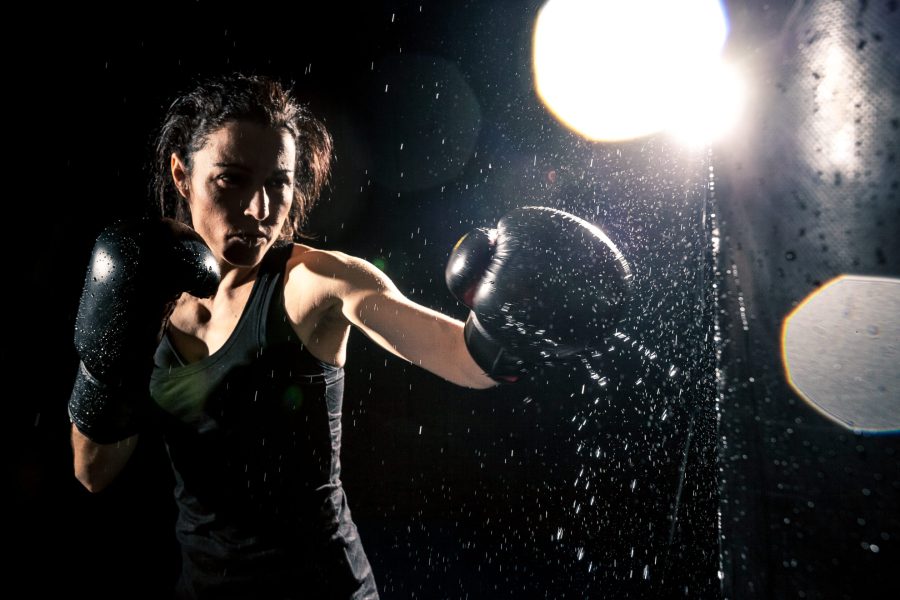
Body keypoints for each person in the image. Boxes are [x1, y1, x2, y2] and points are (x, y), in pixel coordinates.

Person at [69, 73, 631, 599]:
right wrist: (107, 354)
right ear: (180, 174)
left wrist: (518, 316)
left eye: (278, 185)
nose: (259, 210)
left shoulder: (315, 282)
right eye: (231, 180)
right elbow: (92, 472)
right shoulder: (144, 292)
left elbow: (465, 358)